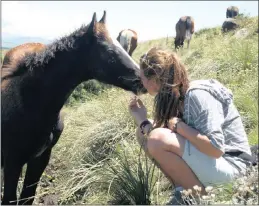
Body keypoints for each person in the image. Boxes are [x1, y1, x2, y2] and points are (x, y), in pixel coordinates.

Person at [128, 47, 253, 204]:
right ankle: (184, 190)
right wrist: (142, 121)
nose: (141, 82)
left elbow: (216, 149)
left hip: (235, 169)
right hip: (213, 166)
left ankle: (199, 198)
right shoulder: (172, 97)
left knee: (157, 137)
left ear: (154, 79)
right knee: (144, 134)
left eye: (142, 77)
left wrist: (179, 126)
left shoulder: (197, 95)